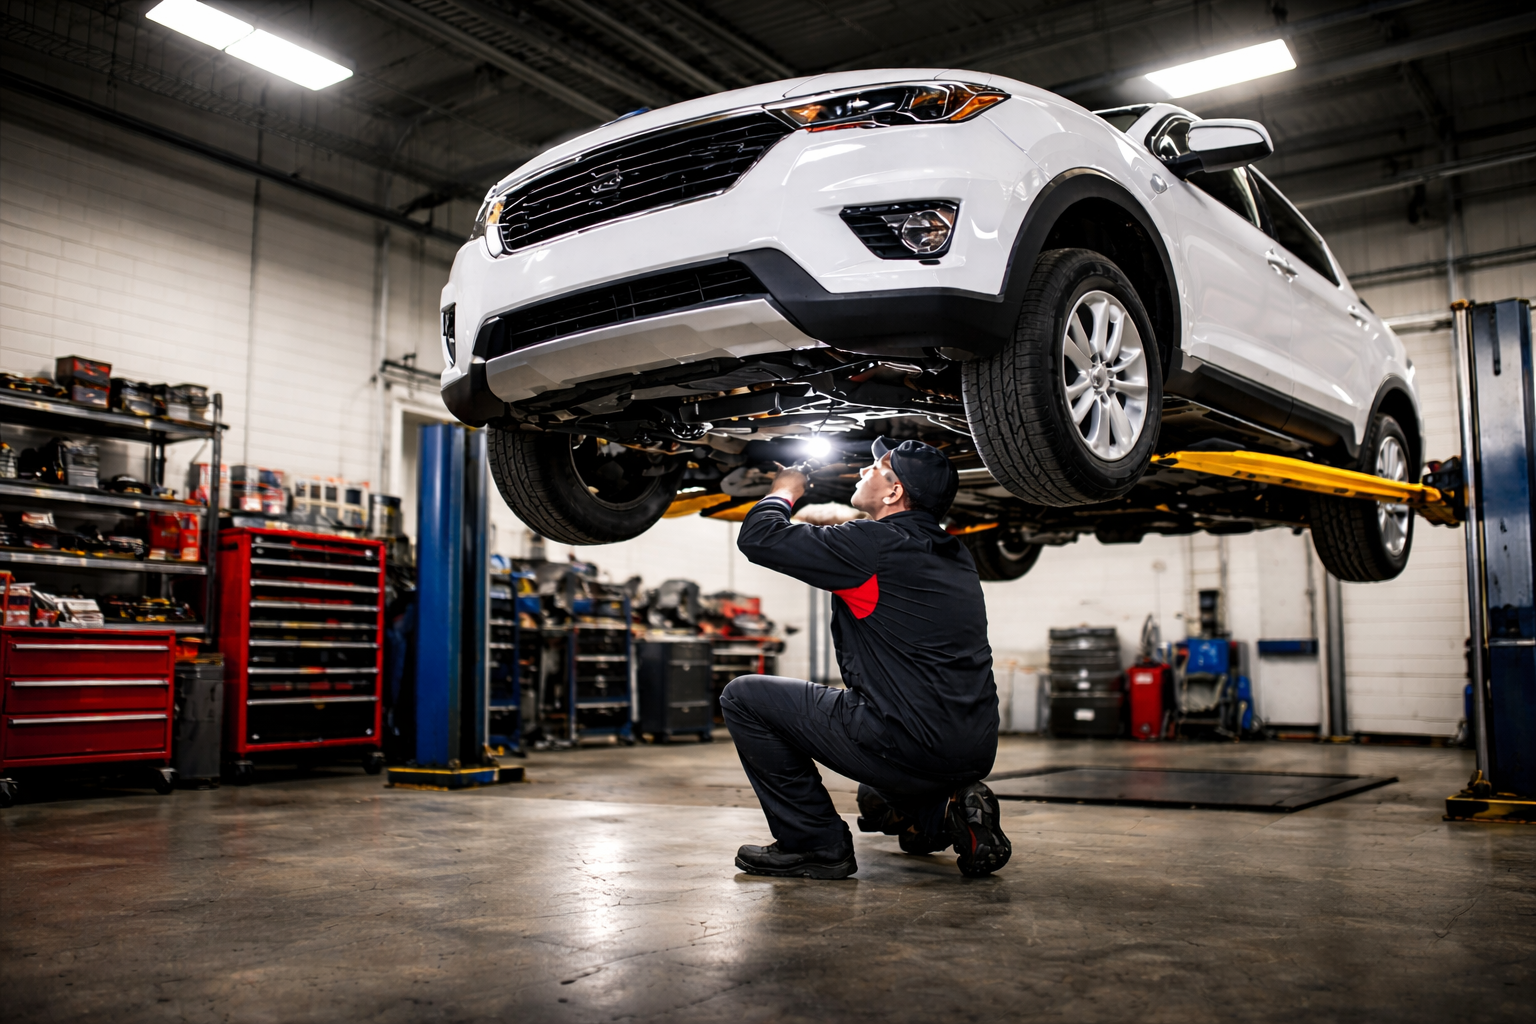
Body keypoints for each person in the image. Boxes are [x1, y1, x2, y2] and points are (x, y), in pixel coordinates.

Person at [719, 436, 1010, 880]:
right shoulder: (954, 554)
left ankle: (814, 844)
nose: (862, 471)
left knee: (743, 696)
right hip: (973, 745)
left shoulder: (872, 545)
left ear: (894, 491)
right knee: (873, 800)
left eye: (875, 467)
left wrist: (786, 487)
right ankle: (947, 812)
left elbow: (760, 537)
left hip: (909, 739)